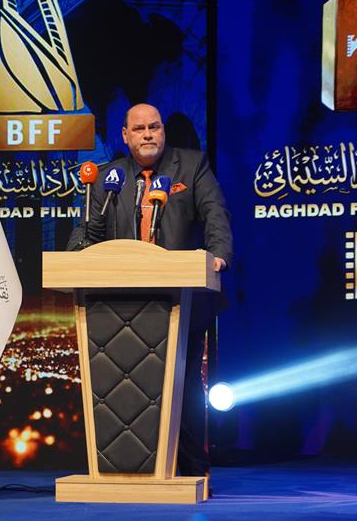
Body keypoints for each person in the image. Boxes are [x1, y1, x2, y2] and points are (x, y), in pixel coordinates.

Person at [68, 103, 233, 483]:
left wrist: (219, 254)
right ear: (125, 136)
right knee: (123, 388)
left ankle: (191, 471)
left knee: (184, 386)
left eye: (154, 127)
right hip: (121, 306)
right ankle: (126, 471)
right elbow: (88, 230)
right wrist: (76, 255)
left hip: (182, 300)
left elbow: (216, 215)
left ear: (163, 131)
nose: (147, 134)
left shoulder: (191, 166)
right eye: (139, 128)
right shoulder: (109, 178)